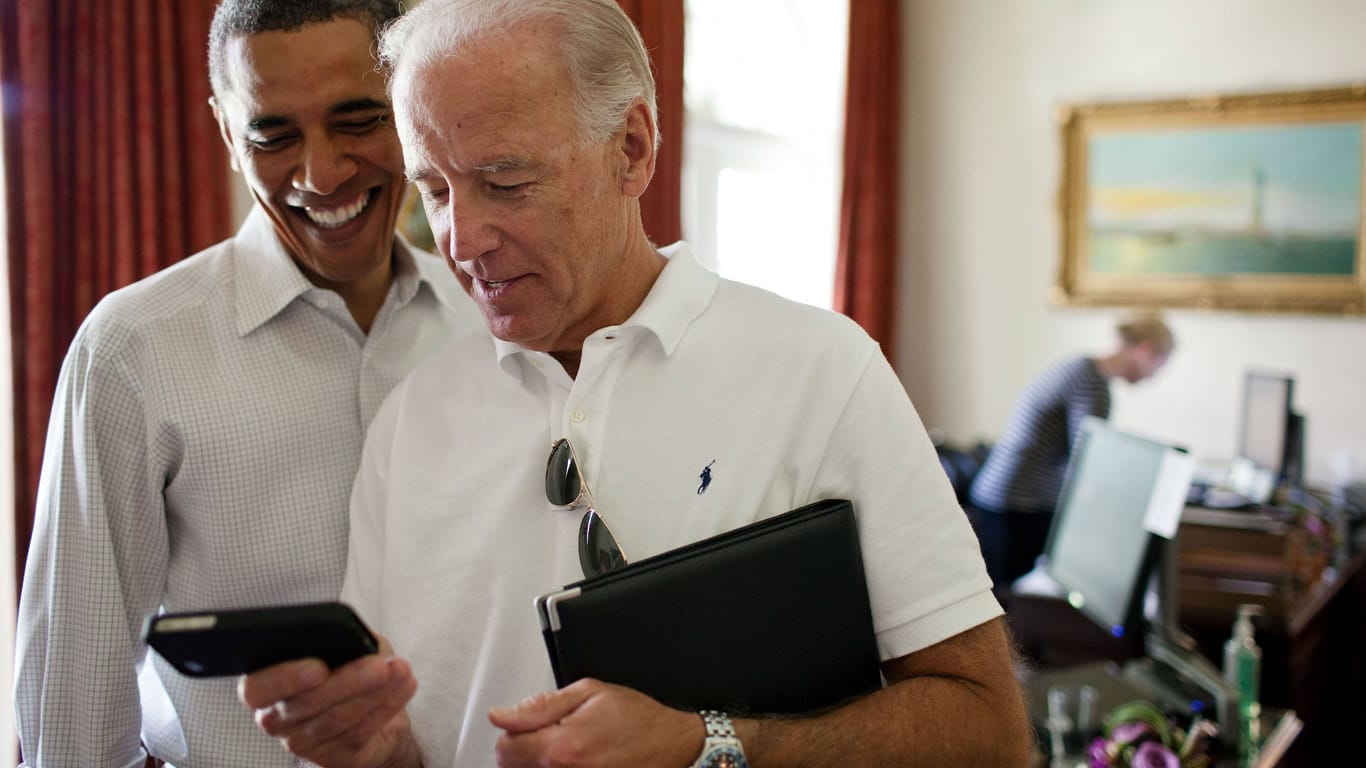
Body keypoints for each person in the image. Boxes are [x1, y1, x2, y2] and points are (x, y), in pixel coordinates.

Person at [237, 1, 1033, 766]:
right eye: (436, 189)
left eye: (506, 181)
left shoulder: (822, 370)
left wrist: (711, 746)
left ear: (633, 148)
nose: (462, 239)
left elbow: (988, 732)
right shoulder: (412, 421)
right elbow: (414, 747)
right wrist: (375, 755)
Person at [12, 2, 480, 765]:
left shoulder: (490, 323)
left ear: (412, 110)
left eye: (357, 120)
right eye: (273, 134)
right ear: (229, 134)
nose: (321, 173)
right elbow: (72, 713)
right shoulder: (132, 351)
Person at [967, 313, 1175, 590]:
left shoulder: (1081, 369)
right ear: (1144, 350)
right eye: (1158, 365)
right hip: (1016, 503)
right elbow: (1090, 461)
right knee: (1009, 599)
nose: (1154, 377)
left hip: (1003, 496)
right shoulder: (1092, 384)